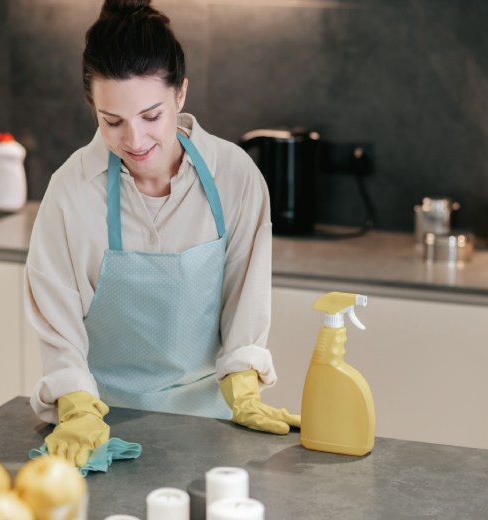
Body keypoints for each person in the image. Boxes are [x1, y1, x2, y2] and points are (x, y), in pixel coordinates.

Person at [25, 0, 300, 467]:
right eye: (112, 121)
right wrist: (74, 405)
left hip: (211, 425)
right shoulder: (71, 191)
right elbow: (58, 321)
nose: (134, 141)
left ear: (181, 95)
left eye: (151, 115)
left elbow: (245, 296)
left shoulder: (234, 176)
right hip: (99, 426)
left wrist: (244, 381)